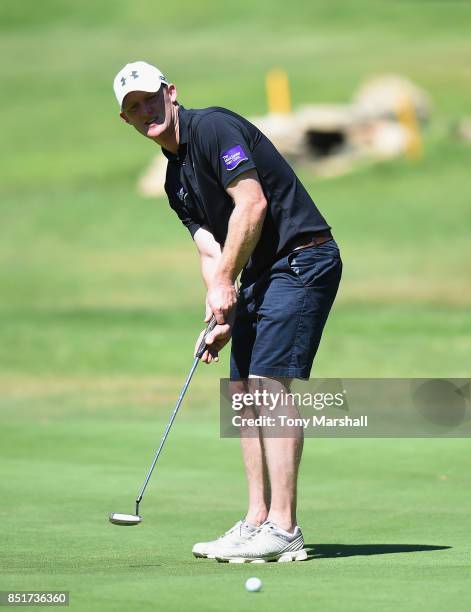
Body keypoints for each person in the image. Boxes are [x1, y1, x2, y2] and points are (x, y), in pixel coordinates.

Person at [113, 61, 342, 563]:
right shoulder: (175, 180)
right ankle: (256, 520)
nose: (145, 110)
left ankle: (284, 527)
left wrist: (224, 284)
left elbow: (253, 205)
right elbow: (209, 250)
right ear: (126, 121)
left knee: (268, 384)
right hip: (263, 272)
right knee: (239, 392)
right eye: (133, 108)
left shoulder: (212, 127)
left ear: (171, 92)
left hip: (303, 257)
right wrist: (222, 312)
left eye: (151, 98)